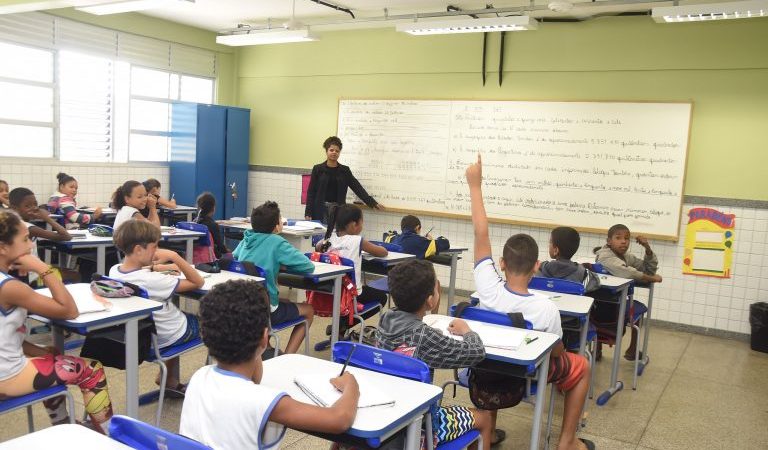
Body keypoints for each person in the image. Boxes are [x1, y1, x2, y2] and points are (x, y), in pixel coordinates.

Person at [466, 155, 593, 450]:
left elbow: (480, 231)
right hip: (523, 375)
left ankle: (489, 430)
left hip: (485, 370)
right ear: (537, 265)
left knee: (496, 346)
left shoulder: (487, 288)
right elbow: (557, 351)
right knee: (581, 365)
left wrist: (475, 186)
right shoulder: (545, 308)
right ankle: (567, 442)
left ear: (501, 263)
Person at [180, 279, 359, 448]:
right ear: (264, 339)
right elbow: (339, 419)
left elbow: (253, 382)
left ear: (205, 336)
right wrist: (351, 386)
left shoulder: (199, 377)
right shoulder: (266, 401)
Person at [0, 209, 113, 433]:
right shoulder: (9, 287)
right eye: (25, 240)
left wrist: (38, 350)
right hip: (6, 377)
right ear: (3, 247)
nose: (31, 246)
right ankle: (109, 435)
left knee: (51, 358)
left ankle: (64, 426)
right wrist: (43, 268)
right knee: (92, 370)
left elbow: (7, 336)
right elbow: (69, 310)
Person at [376, 259, 493, 449]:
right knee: (485, 419)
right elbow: (476, 352)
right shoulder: (424, 337)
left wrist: (432, 333)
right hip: (420, 427)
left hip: (386, 415)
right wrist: (466, 331)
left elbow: (415, 342)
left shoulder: (384, 320)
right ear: (430, 300)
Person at [109, 219, 204, 396]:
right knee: (213, 324)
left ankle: (169, 379)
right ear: (138, 250)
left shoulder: (115, 271)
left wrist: (156, 267)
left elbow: (143, 274)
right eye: (155, 247)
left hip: (141, 338)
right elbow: (198, 282)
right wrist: (174, 256)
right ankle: (210, 386)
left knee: (173, 315)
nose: (157, 251)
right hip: (170, 335)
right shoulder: (152, 281)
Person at [233, 201, 314, 354]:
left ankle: (267, 347)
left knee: (286, 301)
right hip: (266, 309)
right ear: (277, 226)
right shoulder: (277, 242)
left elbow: (235, 257)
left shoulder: (246, 239)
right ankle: (287, 357)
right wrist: (283, 264)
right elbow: (308, 266)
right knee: (309, 310)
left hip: (244, 302)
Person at [593, 224, 662, 361]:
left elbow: (647, 268)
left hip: (613, 304)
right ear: (609, 241)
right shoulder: (605, 256)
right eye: (618, 238)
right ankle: (629, 350)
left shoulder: (625, 256)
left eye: (627, 238)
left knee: (630, 304)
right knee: (637, 309)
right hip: (606, 308)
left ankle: (604, 350)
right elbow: (627, 272)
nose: (623, 241)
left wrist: (647, 248)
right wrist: (651, 278)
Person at [318, 204, 388, 335]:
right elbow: (382, 252)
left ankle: (339, 326)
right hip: (352, 293)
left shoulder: (327, 239)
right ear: (353, 225)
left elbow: (317, 248)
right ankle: (342, 324)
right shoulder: (357, 240)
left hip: (331, 291)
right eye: (362, 222)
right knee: (382, 298)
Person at [304, 136, 384, 224]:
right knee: (319, 236)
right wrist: (308, 212)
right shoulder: (318, 169)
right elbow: (311, 192)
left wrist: (371, 202)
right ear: (326, 151)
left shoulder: (344, 170)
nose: (334, 152)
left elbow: (357, 187)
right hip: (319, 209)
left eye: (337, 151)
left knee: (336, 235)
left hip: (338, 210)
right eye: (331, 150)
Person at [9, 187, 80, 284]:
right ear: (14, 209)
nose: (34, 208)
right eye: (27, 206)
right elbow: (66, 236)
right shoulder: (28, 228)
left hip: (25, 273)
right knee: (75, 275)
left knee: (62, 269)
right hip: (33, 277)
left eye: (35, 204)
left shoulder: (10, 224)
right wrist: (46, 218)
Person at [537, 226, 600, 293]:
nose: (548, 245)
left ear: (556, 250)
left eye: (550, 242)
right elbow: (596, 283)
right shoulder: (584, 274)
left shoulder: (539, 269)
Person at [195, 192, 229, 258]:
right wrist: (228, 252)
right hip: (212, 258)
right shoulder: (213, 225)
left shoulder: (195, 222)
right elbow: (220, 247)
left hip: (198, 256)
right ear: (213, 208)